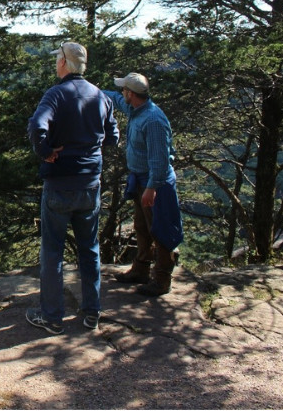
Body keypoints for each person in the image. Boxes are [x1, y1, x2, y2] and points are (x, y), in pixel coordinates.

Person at [26, 42, 119, 335]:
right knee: (89, 249)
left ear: (65, 63)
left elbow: (37, 126)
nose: (56, 64)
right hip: (90, 184)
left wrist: (46, 152)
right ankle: (92, 312)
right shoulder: (101, 96)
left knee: (52, 252)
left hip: (60, 184)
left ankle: (52, 317)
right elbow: (113, 137)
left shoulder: (55, 94)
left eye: (57, 59)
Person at [103, 73, 182, 297]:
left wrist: (152, 187)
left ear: (131, 93)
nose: (121, 94)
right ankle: (141, 269)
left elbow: (160, 159)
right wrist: (89, 89)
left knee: (161, 230)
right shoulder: (136, 110)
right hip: (141, 179)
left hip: (154, 183)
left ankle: (162, 280)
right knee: (142, 226)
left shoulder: (153, 120)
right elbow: (115, 100)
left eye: (123, 90)